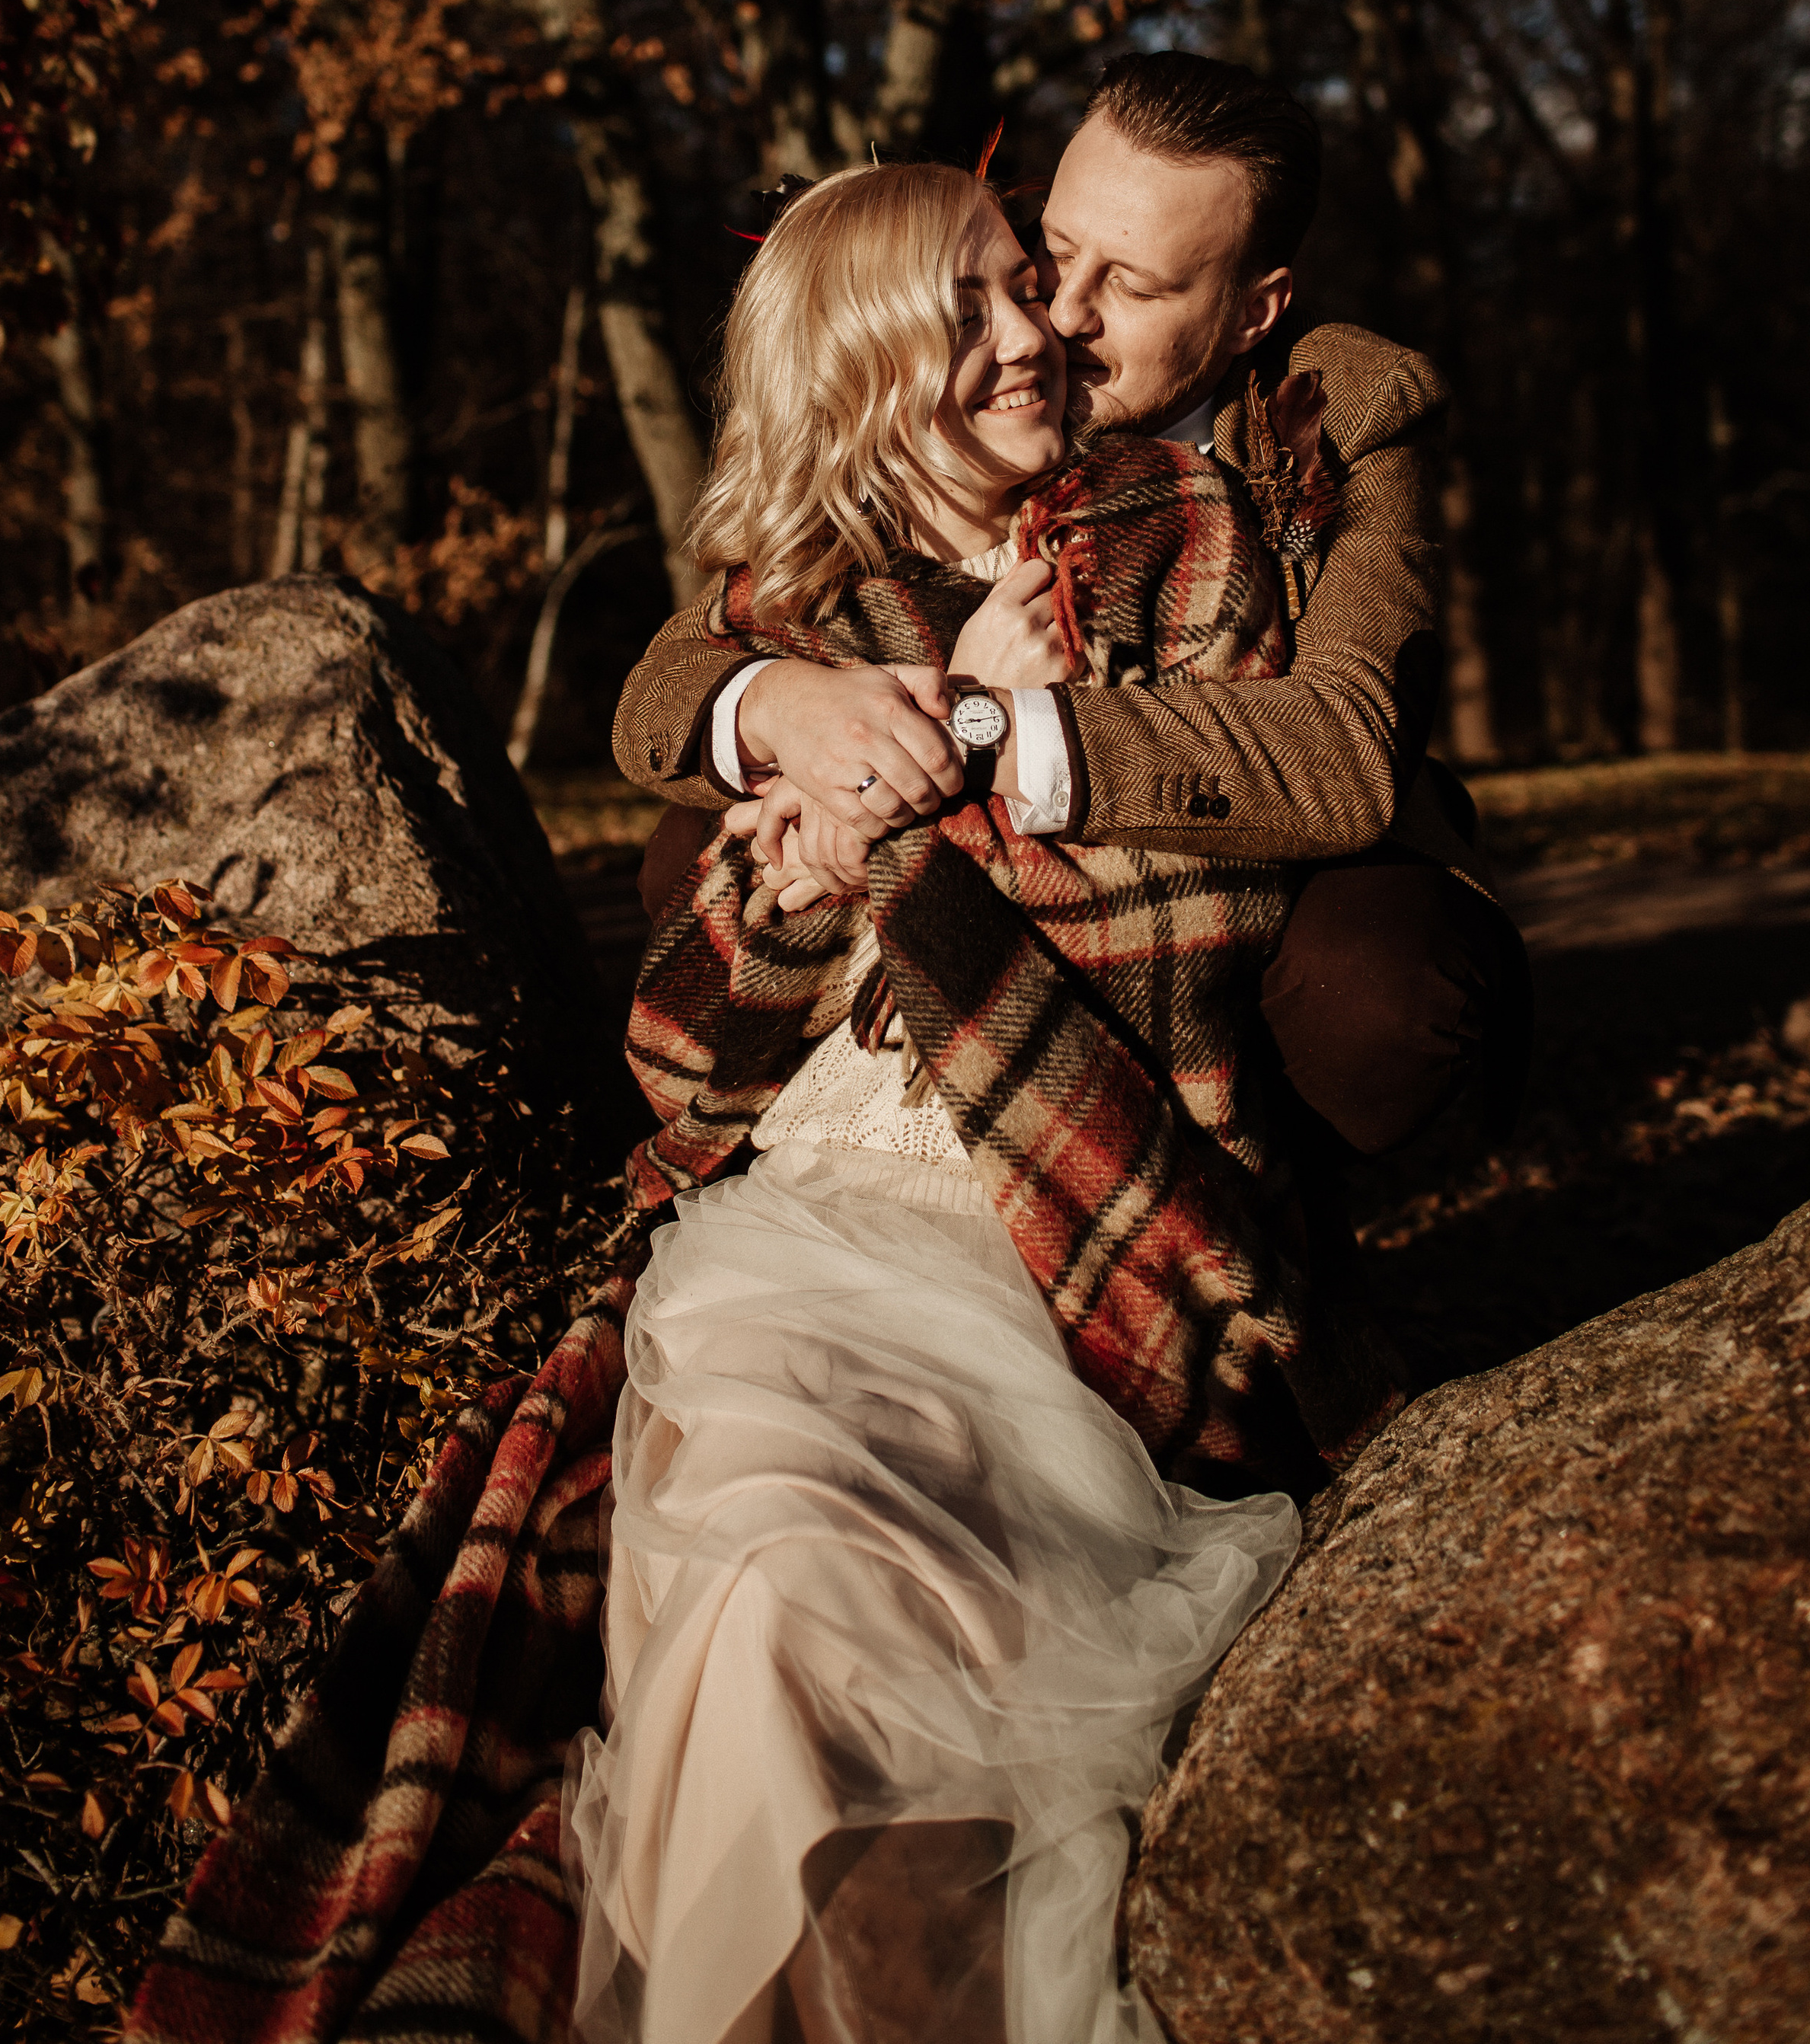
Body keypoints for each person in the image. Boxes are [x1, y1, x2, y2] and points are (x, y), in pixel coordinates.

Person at [570, 158, 1398, 2044]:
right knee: (766, 1601)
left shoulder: (1173, 531)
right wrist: (783, 893)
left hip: (1060, 1223)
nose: (1036, 333)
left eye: (1025, 283)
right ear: (860, 359)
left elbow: (1193, 912)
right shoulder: (781, 615)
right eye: (968, 308)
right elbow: (688, 1070)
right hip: (796, 1236)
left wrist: (936, 760)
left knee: (900, 1652)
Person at [617, 53, 1530, 1174]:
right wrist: (786, 709)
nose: (1065, 319)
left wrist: (972, 726)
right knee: (694, 842)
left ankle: (1257, 1223)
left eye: (1136, 288)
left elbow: (1340, 749)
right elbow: (680, 673)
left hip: (1267, 830)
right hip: (982, 826)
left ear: (1255, 310)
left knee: (1382, 993)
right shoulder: (968, 369)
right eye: (1055, 253)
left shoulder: (1337, 409)